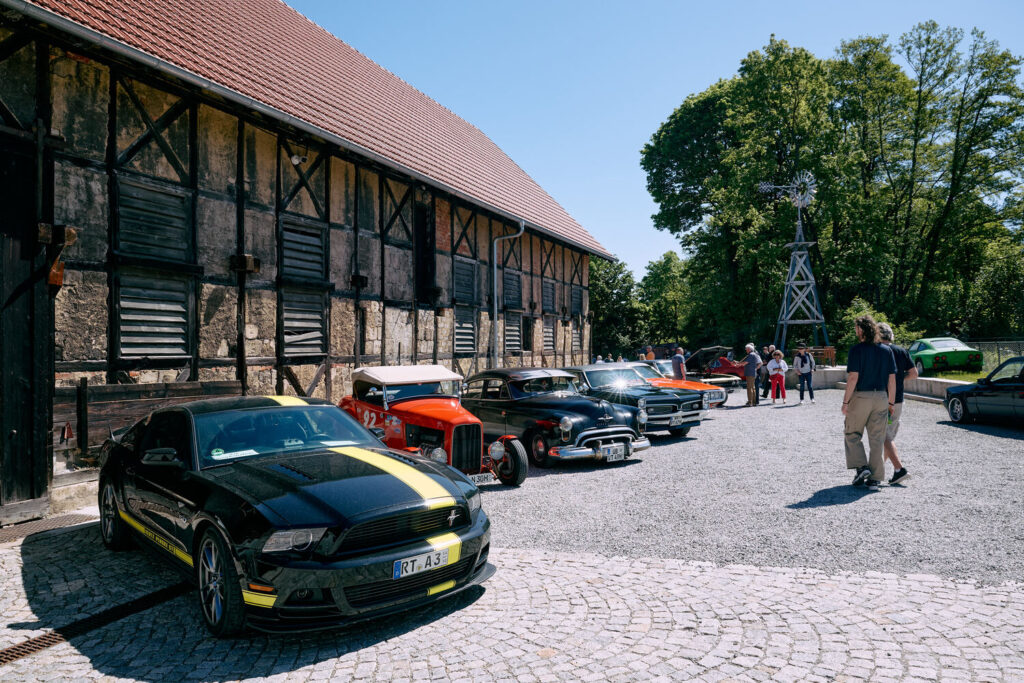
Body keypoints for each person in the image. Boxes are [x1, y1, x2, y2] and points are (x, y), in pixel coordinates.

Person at [841, 315, 896, 487]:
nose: (855, 331)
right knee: (877, 438)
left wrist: (845, 402)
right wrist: (891, 403)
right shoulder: (887, 350)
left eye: (856, 328)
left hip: (861, 396)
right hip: (881, 397)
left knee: (852, 433)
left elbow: (853, 378)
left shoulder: (856, 350)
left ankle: (861, 467)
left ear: (861, 329)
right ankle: (875, 478)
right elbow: (892, 380)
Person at [879, 322, 916, 485]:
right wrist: (900, 379)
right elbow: (914, 373)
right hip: (899, 399)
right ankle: (881, 468)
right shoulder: (901, 351)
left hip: (882, 398)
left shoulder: (879, 351)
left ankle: (899, 469)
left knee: (883, 436)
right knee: (889, 436)